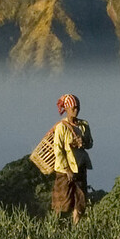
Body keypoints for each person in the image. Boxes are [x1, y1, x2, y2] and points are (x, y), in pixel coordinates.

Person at [49, 94, 93, 223]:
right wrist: (67, 169)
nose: (76, 110)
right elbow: (59, 150)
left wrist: (83, 142)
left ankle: (76, 228)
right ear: (67, 109)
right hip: (64, 170)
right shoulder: (61, 127)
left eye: (77, 107)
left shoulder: (83, 125)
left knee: (80, 201)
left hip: (80, 166)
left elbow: (90, 144)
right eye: (73, 108)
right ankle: (57, 226)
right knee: (62, 201)